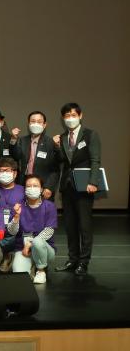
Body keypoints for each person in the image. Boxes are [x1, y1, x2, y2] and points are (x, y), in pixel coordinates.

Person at [53, 102, 102, 276]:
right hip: (67, 187)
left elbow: (95, 160)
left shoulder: (90, 135)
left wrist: (93, 182)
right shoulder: (62, 137)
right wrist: (57, 146)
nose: (70, 119)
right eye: (67, 116)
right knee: (70, 225)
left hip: (84, 185)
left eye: (73, 115)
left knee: (84, 225)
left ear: (80, 116)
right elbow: (61, 160)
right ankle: (72, 259)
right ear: (63, 118)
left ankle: (83, 262)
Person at [8, 175, 57, 283]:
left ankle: (41, 270)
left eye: (35, 186)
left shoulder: (49, 206)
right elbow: (12, 231)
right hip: (23, 250)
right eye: (29, 186)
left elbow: (49, 230)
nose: (32, 188)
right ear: (25, 189)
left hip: (44, 250)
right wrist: (16, 216)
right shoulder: (18, 206)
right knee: (20, 276)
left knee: (37, 241)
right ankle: (31, 266)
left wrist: (31, 243)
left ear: (41, 189)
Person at [11, 111, 60, 199]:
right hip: (24, 184)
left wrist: (49, 187)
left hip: (43, 186)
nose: (36, 124)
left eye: (39, 121)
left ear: (44, 125)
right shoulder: (22, 140)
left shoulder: (50, 142)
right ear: (29, 124)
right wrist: (13, 139)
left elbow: (55, 169)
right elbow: (15, 156)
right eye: (33, 121)